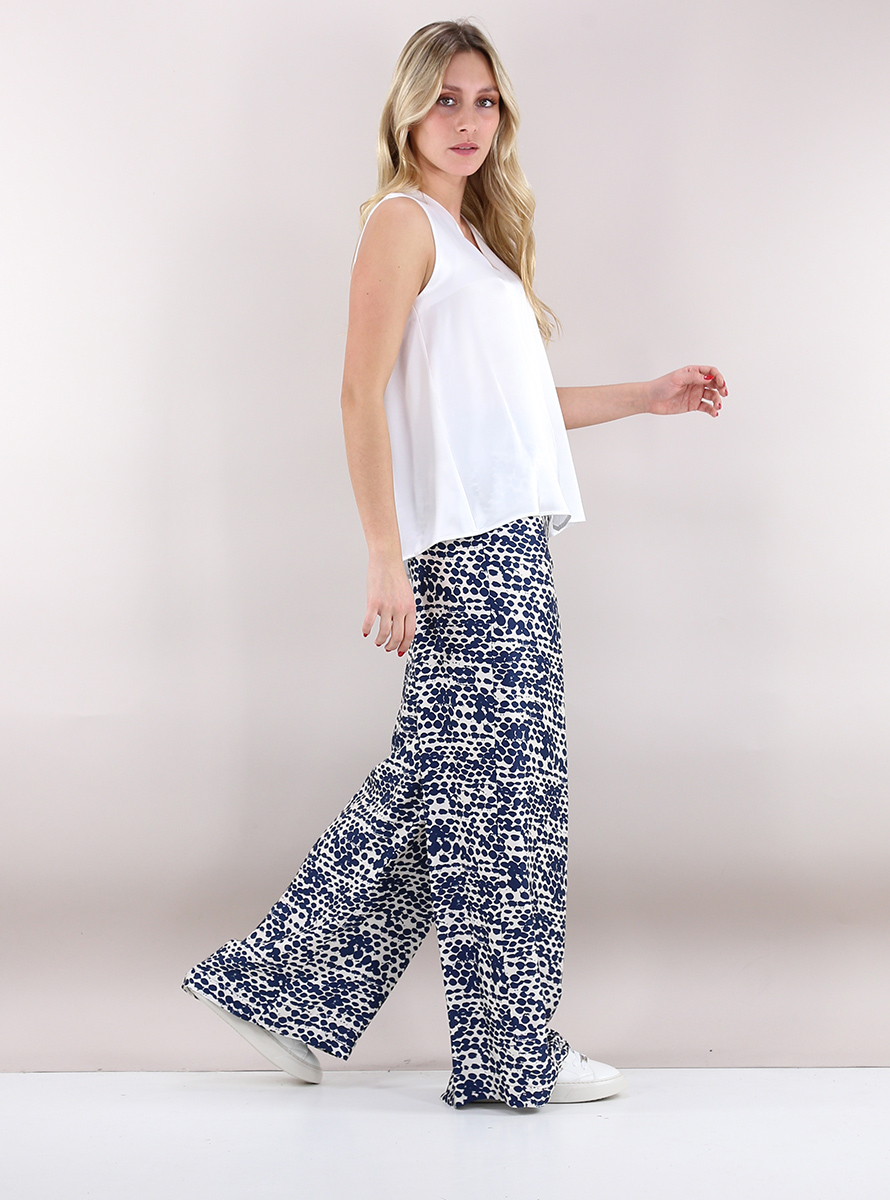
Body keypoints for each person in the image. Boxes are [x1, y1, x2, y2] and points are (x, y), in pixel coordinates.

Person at [182, 18, 728, 1110]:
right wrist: (384, 556)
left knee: (445, 784)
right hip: (465, 556)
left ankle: (279, 988)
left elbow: (513, 411)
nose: (467, 120)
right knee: (505, 802)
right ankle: (508, 1054)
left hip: (508, 542)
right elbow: (357, 394)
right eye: (445, 99)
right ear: (407, 111)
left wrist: (648, 396)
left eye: (483, 101)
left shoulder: (475, 243)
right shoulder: (402, 223)